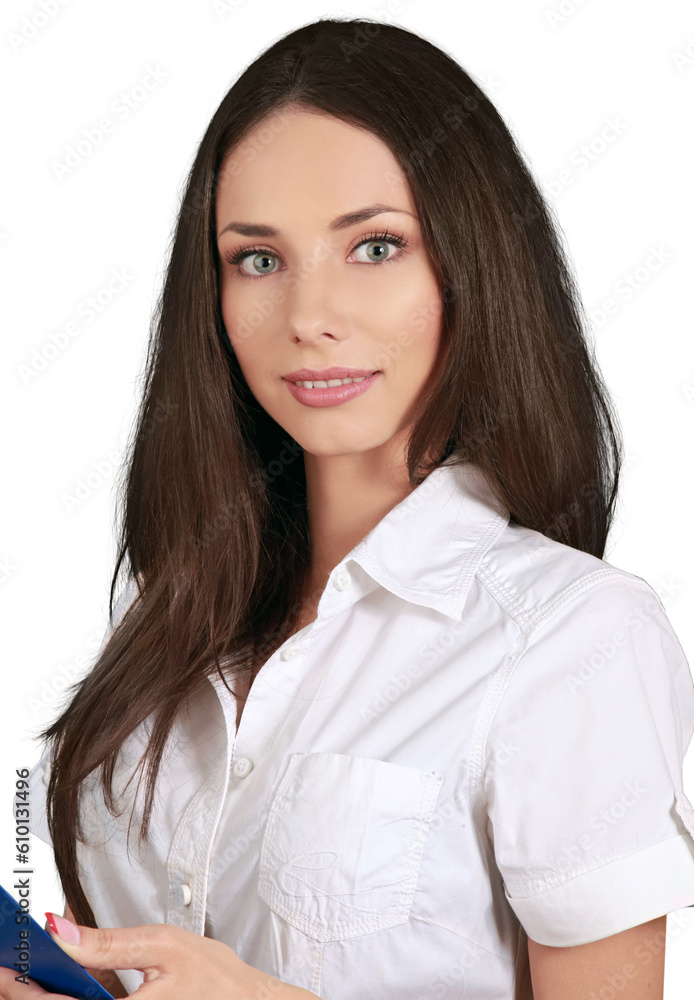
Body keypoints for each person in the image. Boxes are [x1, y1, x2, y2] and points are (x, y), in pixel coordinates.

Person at [6, 15, 694, 1000]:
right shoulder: (169, 624)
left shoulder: (573, 638)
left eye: (375, 246)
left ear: (472, 262)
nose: (308, 317)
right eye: (257, 259)